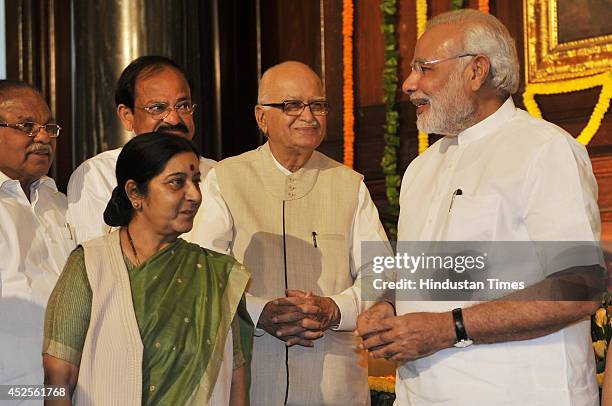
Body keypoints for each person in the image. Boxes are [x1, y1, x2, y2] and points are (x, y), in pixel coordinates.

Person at [355, 9, 602, 405]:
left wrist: (447, 328)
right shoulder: (422, 168)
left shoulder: (545, 150)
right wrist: (386, 305)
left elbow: (579, 286)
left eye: (425, 68)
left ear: (477, 71)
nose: (409, 83)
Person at [188, 61, 392, 405]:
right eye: (292, 105)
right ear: (261, 117)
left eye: (318, 105)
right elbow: (203, 274)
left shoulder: (349, 185)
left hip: (334, 384)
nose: (308, 116)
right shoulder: (225, 180)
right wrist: (259, 313)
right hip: (249, 382)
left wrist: (335, 309)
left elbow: (382, 274)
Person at [43, 133, 252, 405]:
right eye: (177, 183)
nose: (195, 195)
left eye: (196, 182)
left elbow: (236, 381)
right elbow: (57, 380)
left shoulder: (217, 274)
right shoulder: (91, 264)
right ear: (134, 193)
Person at [67, 55, 216, 243]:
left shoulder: (217, 174)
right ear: (127, 116)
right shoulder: (97, 176)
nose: (173, 119)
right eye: (157, 108)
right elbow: (97, 261)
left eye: (183, 106)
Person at [0, 80, 76, 402]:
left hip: (73, 389)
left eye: (48, 127)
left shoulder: (59, 202)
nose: (43, 137)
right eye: (27, 126)